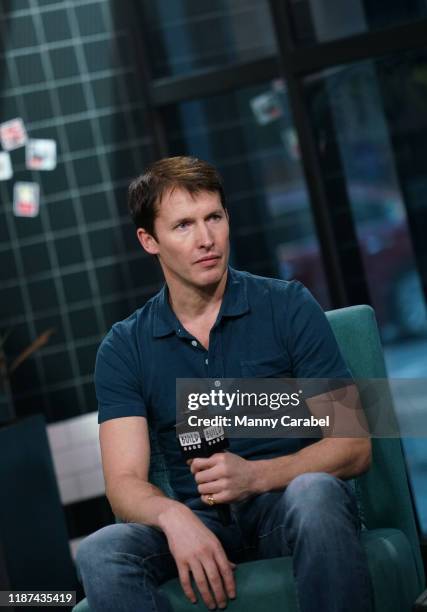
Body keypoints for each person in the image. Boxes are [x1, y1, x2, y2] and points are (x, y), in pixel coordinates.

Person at [76, 156, 373, 612]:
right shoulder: (124, 347)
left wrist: (256, 476)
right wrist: (174, 517)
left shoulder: (288, 305)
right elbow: (123, 483)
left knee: (315, 493)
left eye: (214, 217)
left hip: (286, 509)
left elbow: (354, 445)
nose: (206, 239)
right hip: (201, 524)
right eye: (183, 226)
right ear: (148, 240)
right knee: (102, 550)